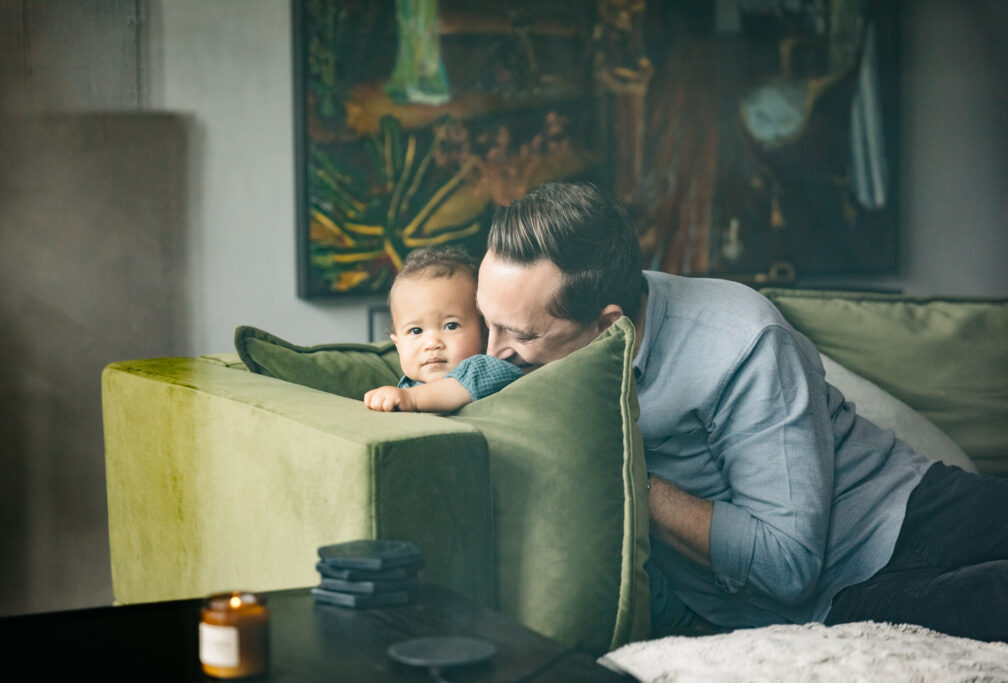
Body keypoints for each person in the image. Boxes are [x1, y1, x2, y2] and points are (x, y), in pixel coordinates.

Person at [476, 181, 1008, 642]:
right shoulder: (503, 359)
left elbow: (786, 564)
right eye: (486, 321)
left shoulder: (739, 341)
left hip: (911, 515)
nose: (489, 353)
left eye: (522, 335)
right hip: (839, 600)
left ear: (609, 326)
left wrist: (626, 474)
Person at [365, 246, 522, 413]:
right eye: (416, 331)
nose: (432, 343)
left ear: (484, 331)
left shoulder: (488, 368)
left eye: (451, 326)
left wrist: (410, 398)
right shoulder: (408, 385)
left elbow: (455, 389)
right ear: (398, 345)